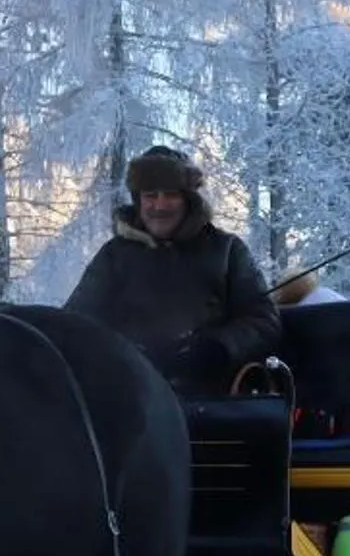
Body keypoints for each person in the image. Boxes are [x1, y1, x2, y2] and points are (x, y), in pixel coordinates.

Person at [63, 143, 281, 393]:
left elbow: (265, 321)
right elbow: (75, 323)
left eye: (171, 194)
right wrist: (123, 354)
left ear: (189, 200)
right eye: (150, 195)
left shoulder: (227, 251)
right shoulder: (114, 256)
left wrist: (218, 348)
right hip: (132, 401)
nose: (160, 205)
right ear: (138, 201)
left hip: (213, 404)